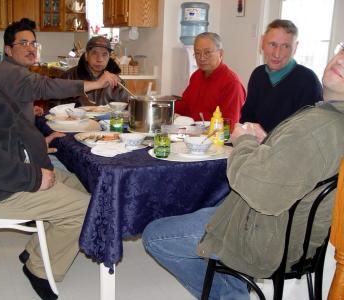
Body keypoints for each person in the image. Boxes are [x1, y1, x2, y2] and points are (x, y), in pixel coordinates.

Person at [142, 42, 344, 299]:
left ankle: (232, 296)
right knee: (202, 210)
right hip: (300, 237)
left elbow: (260, 191)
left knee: (155, 236)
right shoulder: (331, 120)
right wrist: (268, 140)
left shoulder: (319, 126)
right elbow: (300, 163)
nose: (341, 60)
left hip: (267, 238)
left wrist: (243, 141)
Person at [0, 13, 90, 300]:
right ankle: (38, 268)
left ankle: (37, 249)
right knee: (86, 209)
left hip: (10, 172)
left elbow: (8, 122)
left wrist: (38, 143)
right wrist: (34, 178)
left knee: (79, 184)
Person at [0, 18, 120, 124]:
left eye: (33, 43)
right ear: (8, 50)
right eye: (24, 43)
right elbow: (46, 86)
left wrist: (25, 110)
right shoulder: (13, 73)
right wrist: (97, 84)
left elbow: (6, 109)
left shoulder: (7, 69)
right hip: (12, 149)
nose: (31, 49)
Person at [240, 19, 323, 132]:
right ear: (262, 42)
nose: (277, 53)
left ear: (295, 47)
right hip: (253, 146)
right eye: (272, 44)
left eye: (285, 46)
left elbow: (307, 134)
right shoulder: (258, 74)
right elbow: (246, 117)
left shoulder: (308, 81)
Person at [175, 32, 246, 125]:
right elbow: (185, 107)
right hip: (191, 133)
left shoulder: (231, 83)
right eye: (197, 53)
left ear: (220, 53)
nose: (202, 58)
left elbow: (228, 125)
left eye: (207, 52)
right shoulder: (196, 76)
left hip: (214, 137)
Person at [74, 35, 129, 106]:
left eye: (104, 54)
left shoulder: (117, 82)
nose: (99, 59)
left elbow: (123, 110)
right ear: (86, 56)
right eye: (94, 53)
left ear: (109, 57)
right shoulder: (70, 76)